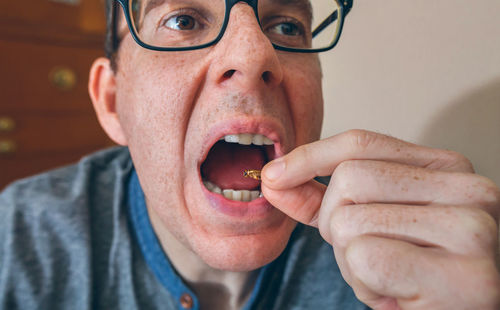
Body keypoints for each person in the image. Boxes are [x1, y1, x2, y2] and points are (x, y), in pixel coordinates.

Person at [1, 0, 499, 309]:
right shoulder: (18, 241)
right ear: (111, 102)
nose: (253, 54)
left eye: (285, 27)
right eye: (183, 19)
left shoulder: (399, 271)